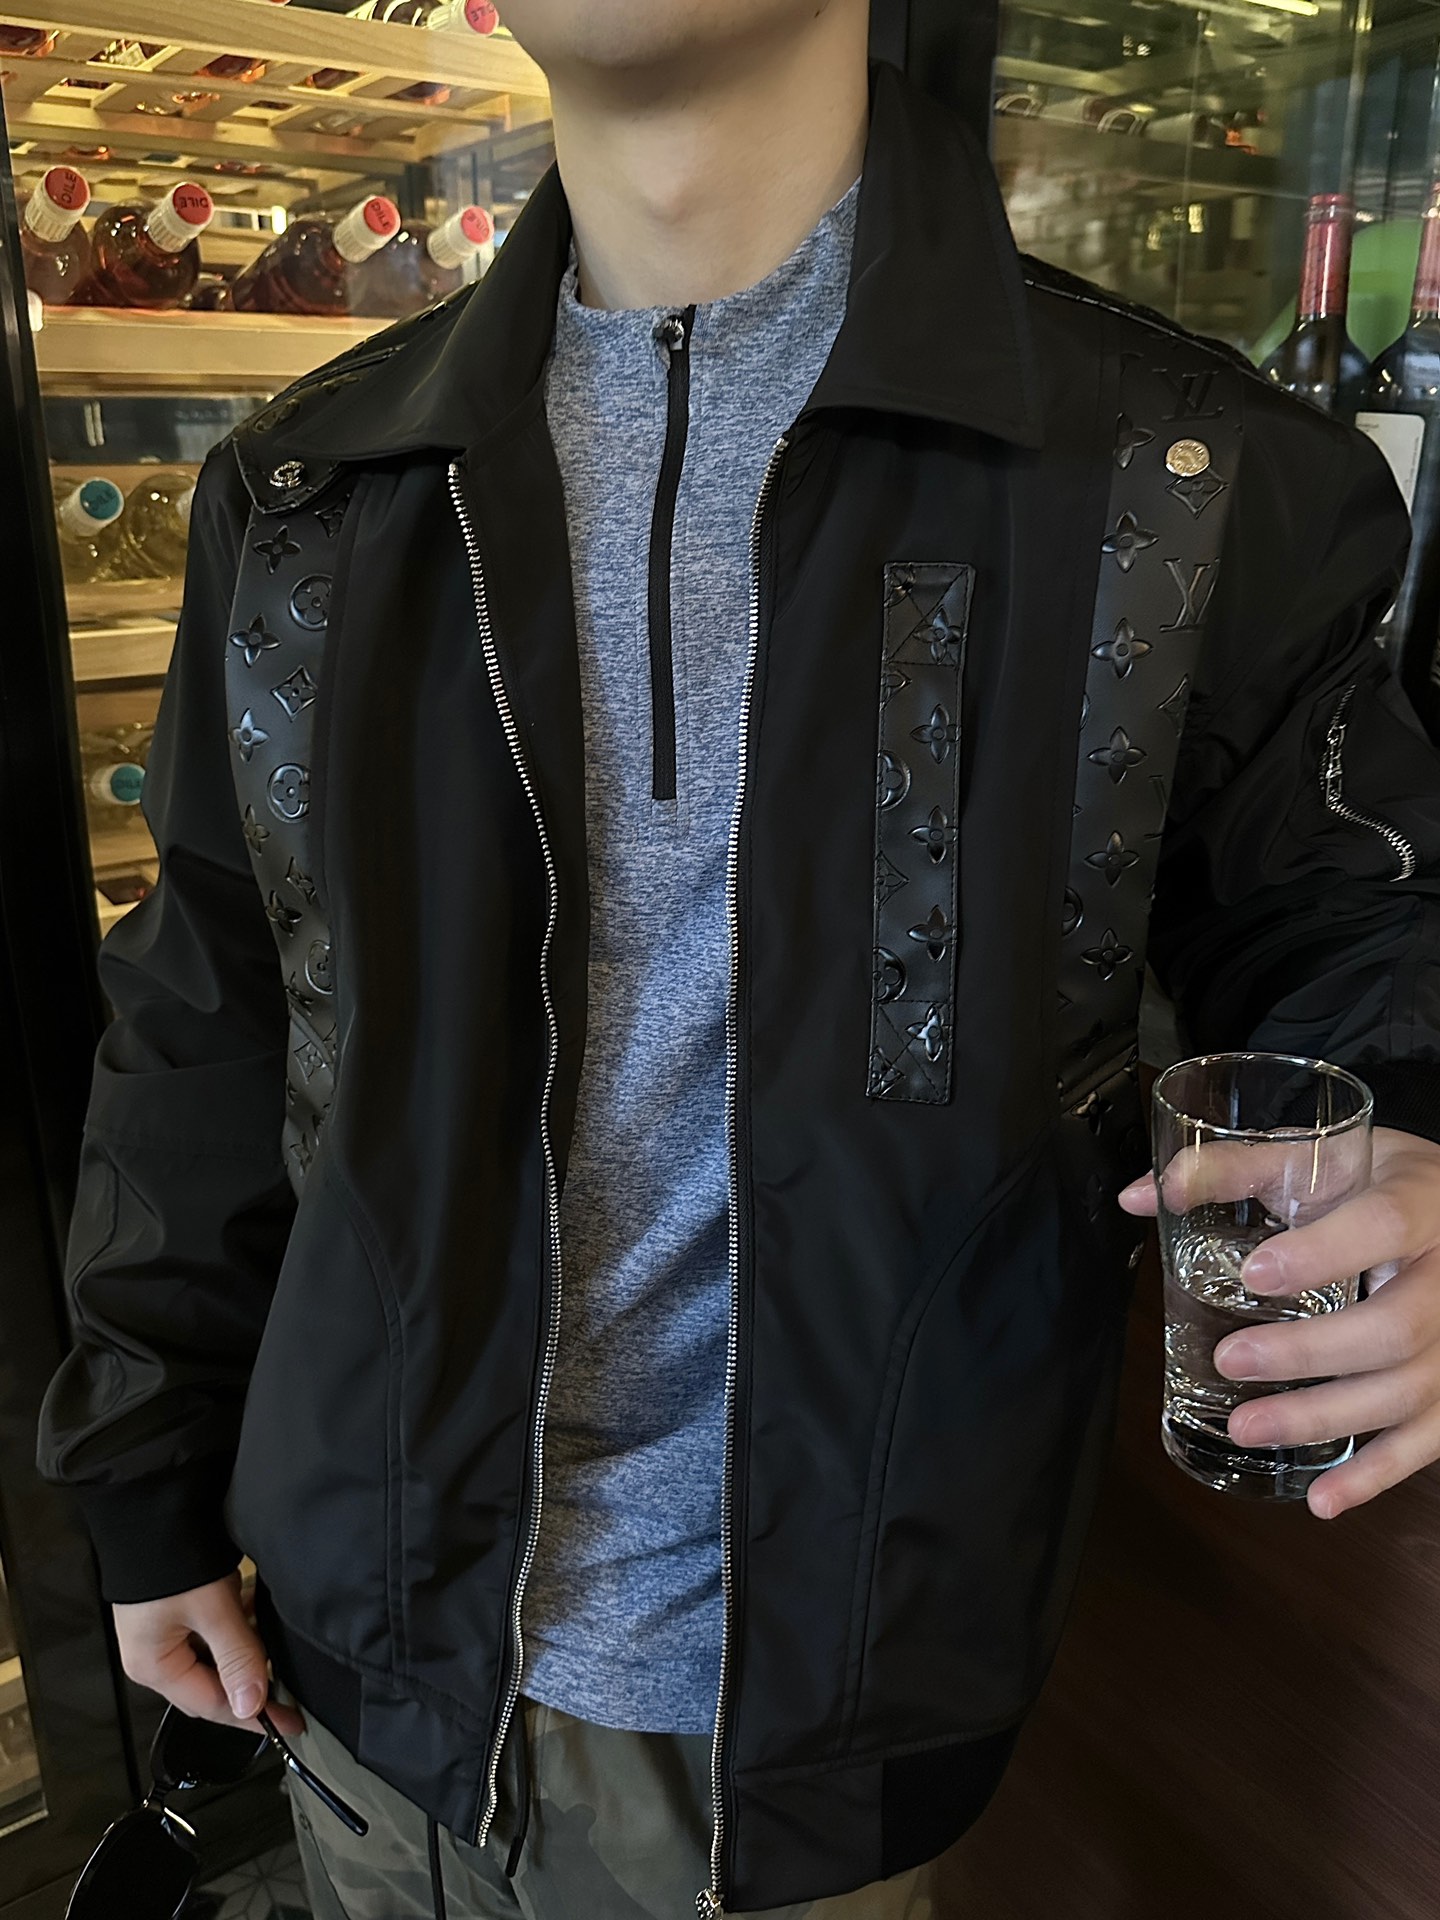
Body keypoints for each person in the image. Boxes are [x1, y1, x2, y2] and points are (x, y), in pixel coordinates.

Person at [35, 1, 1440, 1915]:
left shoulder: (1189, 473)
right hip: (359, 1678)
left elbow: (1354, 909)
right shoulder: (313, 486)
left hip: (823, 1727)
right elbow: (207, 1009)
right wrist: (141, 1477)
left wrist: (1412, 1127)